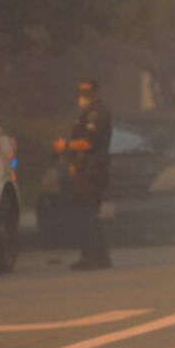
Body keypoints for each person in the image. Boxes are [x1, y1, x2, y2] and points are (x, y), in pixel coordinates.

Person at [53, 80, 113, 270]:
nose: (83, 96)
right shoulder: (86, 113)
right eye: (81, 91)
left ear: (96, 93)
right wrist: (73, 162)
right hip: (85, 168)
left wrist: (65, 146)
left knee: (86, 214)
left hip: (92, 170)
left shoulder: (96, 113)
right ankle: (101, 257)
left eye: (87, 92)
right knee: (90, 214)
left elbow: (88, 143)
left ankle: (90, 257)